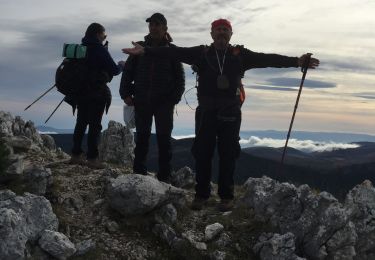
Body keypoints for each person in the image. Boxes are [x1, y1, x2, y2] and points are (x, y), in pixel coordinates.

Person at [122, 18, 320, 211]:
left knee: (228, 155)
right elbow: (173, 52)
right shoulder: (202, 53)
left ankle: (226, 197)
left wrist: (296, 61)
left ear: (231, 34)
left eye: (225, 29)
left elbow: (267, 59)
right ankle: (202, 195)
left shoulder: (240, 54)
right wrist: (146, 50)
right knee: (202, 153)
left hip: (230, 113)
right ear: (211, 34)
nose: (221, 33)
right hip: (207, 112)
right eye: (218, 29)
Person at [119, 13, 185, 183]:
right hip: (142, 100)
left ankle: (164, 175)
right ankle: (139, 172)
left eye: (157, 24)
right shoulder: (139, 48)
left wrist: (174, 98)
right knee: (142, 138)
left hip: (164, 103)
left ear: (165, 28)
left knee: (164, 140)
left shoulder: (171, 50)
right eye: (151, 25)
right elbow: (128, 72)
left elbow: (180, 78)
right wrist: (125, 93)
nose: (153, 27)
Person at [70, 23, 125, 169]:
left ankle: (75, 155)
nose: (104, 37)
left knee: (81, 123)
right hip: (96, 93)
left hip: (80, 92)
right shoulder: (99, 49)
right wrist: (121, 65)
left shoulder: (81, 48)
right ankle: (92, 159)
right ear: (97, 34)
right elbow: (113, 70)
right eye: (103, 35)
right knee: (95, 125)